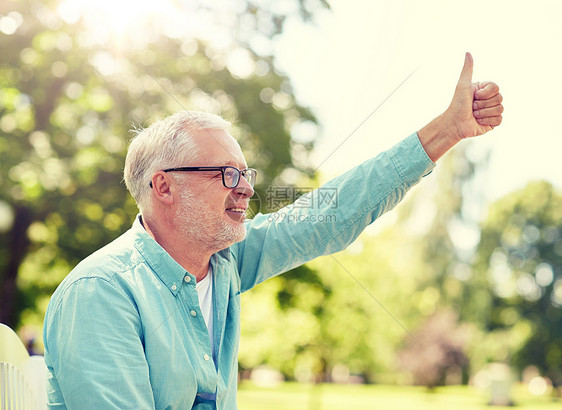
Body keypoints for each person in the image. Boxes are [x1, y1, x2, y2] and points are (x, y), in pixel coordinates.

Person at [43, 52, 503, 409]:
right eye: (225, 174)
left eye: (246, 175)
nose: (244, 190)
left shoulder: (223, 263)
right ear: (164, 186)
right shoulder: (101, 293)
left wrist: (447, 131)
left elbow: (330, 215)